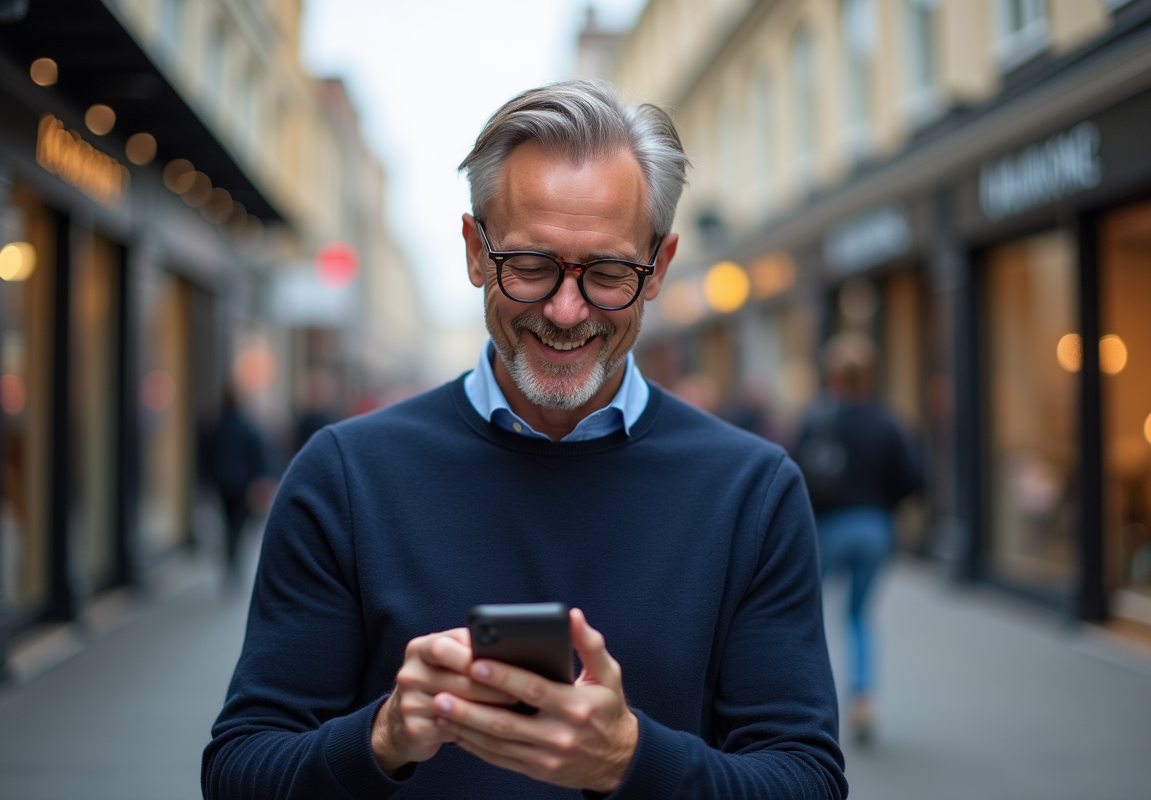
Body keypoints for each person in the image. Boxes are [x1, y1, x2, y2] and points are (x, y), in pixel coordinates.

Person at [203, 80, 846, 799]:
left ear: (658, 270)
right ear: (476, 252)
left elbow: (805, 780)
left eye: (607, 274)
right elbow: (239, 773)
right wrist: (381, 737)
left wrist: (630, 760)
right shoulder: (344, 477)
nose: (566, 311)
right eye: (531, 267)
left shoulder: (751, 492)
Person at [790, 332, 923, 746]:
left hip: (827, 529)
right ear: (871, 376)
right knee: (860, 616)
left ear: (832, 376)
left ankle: (800, 700)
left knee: (801, 614)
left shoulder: (817, 419)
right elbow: (916, 480)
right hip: (875, 529)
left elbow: (791, 473)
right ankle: (863, 697)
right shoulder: (889, 422)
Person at [199, 387, 269, 582]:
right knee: (237, 524)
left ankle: (231, 557)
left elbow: (206, 456)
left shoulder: (216, 427)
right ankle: (233, 558)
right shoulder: (246, 427)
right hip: (241, 484)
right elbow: (256, 456)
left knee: (228, 521)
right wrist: (259, 479)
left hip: (222, 482)